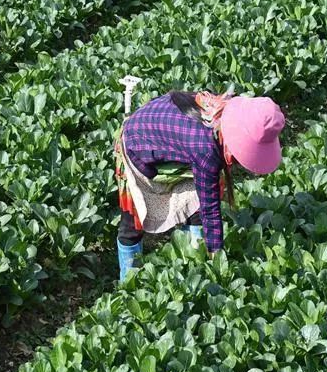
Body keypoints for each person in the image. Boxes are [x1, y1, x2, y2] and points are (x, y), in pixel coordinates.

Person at [114, 91, 285, 280]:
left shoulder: (219, 114)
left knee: (197, 207)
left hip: (172, 140)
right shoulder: (206, 148)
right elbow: (210, 210)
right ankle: (127, 283)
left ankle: (194, 262)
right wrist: (217, 261)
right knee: (133, 223)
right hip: (137, 147)